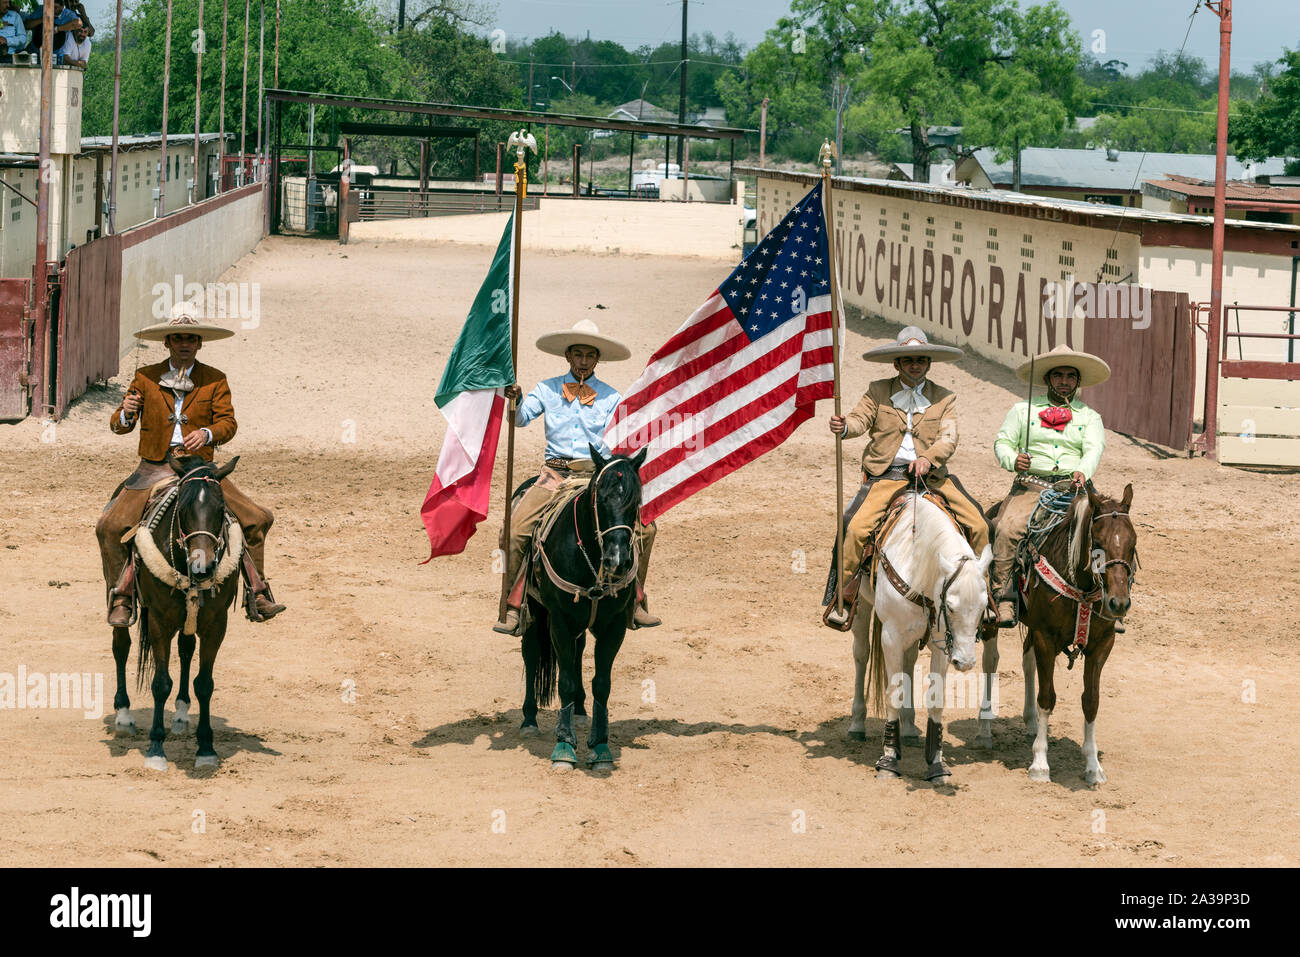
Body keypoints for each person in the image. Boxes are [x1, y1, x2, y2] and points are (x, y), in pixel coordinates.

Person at [96, 302, 285, 627]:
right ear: (167, 342)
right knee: (110, 527)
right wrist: (126, 411)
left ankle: (258, 592)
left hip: (200, 469)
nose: (184, 344)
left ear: (199, 343)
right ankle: (122, 598)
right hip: (153, 468)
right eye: (178, 338)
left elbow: (229, 423)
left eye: (191, 338)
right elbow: (119, 426)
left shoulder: (215, 380)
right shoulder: (145, 377)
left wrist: (208, 433)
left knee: (256, 519)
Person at [493, 319, 660, 635]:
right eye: (578, 354)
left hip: (595, 476)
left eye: (590, 355)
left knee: (646, 530)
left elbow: (618, 438)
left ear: (598, 360)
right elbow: (520, 420)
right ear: (568, 356)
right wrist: (513, 398)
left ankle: (634, 602)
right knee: (514, 531)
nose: (583, 361)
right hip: (554, 475)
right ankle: (513, 606)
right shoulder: (546, 388)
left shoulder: (612, 397)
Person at [827, 326, 991, 625]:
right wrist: (845, 427)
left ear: (929, 363)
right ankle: (845, 596)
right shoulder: (877, 390)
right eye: (908, 360)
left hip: (933, 477)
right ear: (896, 364)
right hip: (886, 476)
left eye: (920, 359)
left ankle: (986, 596)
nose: (915, 364)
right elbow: (859, 419)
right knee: (854, 528)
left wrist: (928, 458)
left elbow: (949, 437)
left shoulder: (945, 398)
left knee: (979, 523)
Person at [989, 343, 1110, 627]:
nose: (1065, 381)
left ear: (1077, 381)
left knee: (1109, 531)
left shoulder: (1090, 417)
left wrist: (1082, 470)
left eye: (1070, 376)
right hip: (1032, 486)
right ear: (1048, 379)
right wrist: (1012, 459)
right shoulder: (1022, 410)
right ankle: (1004, 595)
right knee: (1007, 529)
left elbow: (1094, 449)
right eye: (1059, 376)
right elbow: (1002, 442)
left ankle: (1108, 595)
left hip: (1075, 487)